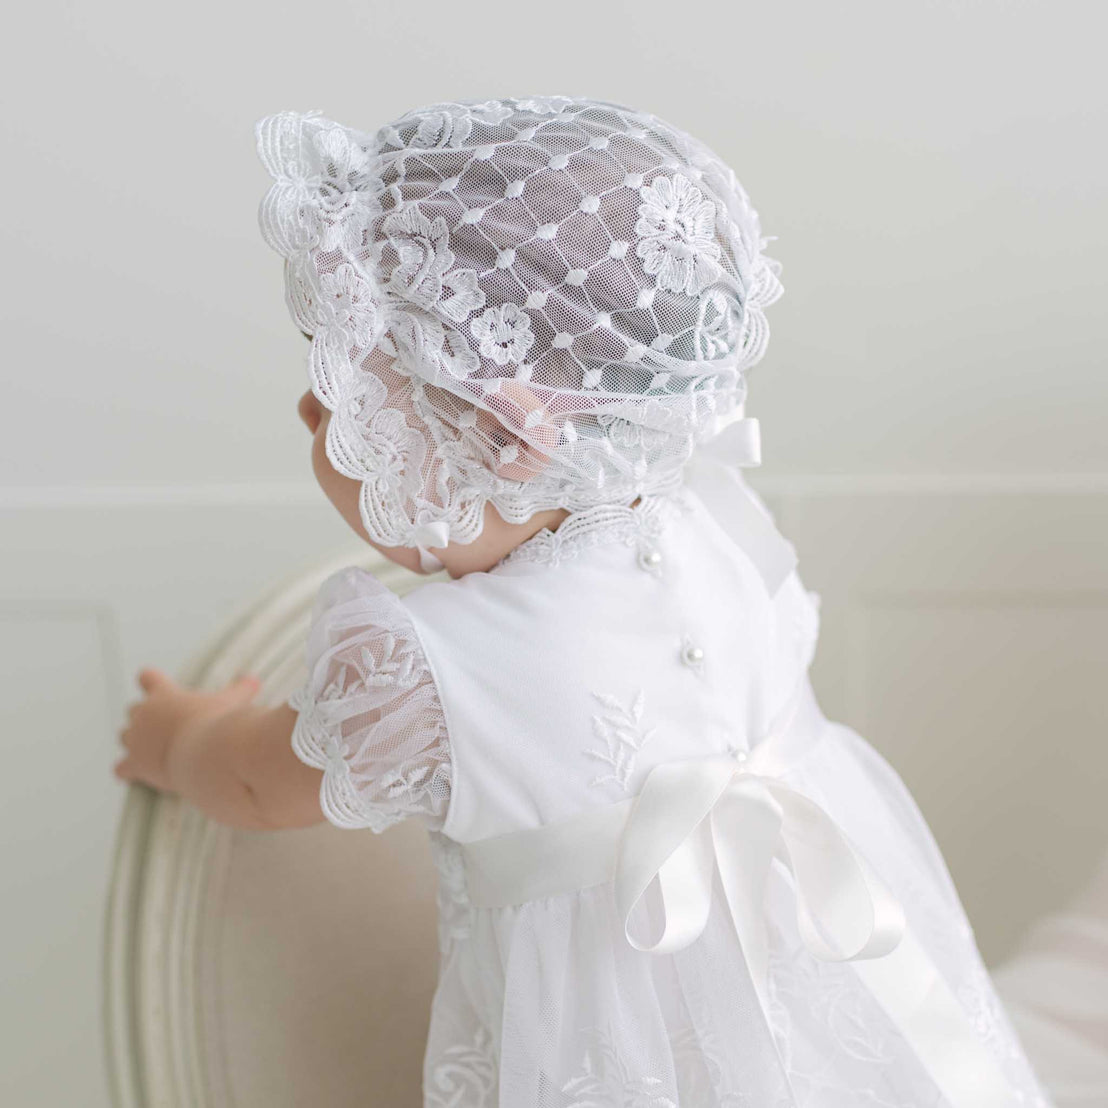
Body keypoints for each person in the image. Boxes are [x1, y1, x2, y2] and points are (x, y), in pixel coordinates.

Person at [115, 96, 1052, 1106]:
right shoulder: (719, 519)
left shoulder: (428, 673)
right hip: (836, 1005)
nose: (310, 409)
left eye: (344, 391)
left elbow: (257, 785)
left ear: (506, 438)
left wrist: (181, 736)